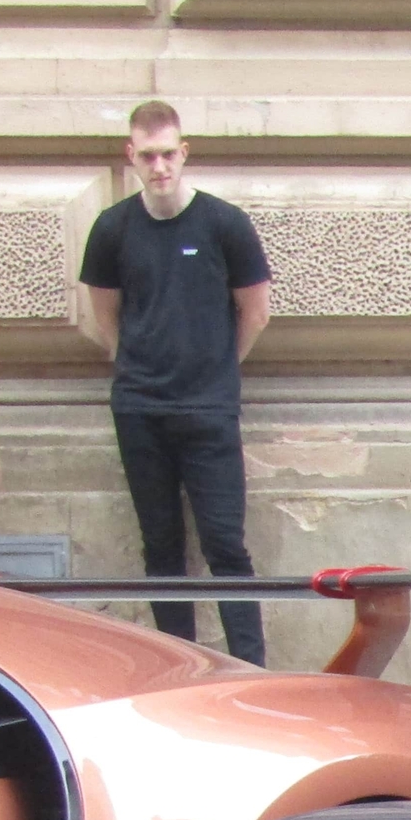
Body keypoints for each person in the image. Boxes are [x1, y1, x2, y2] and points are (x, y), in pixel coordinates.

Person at [80, 100, 273, 664]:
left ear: (184, 153)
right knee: (161, 549)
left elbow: (255, 311)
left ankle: (251, 671)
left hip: (209, 409)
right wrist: (137, 363)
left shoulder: (223, 223)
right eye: (148, 155)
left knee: (226, 547)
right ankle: (177, 668)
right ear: (131, 156)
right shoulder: (113, 228)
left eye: (168, 154)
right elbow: (104, 314)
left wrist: (216, 366)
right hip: (140, 409)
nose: (159, 166)